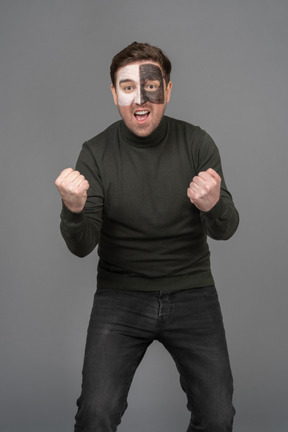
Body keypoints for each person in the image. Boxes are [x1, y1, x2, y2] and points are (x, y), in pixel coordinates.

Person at [55, 41, 239, 432]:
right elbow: (82, 245)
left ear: (168, 90)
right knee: (95, 415)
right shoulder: (96, 152)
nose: (140, 98)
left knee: (218, 417)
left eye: (151, 86)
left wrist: (212, 205)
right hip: (120, 297)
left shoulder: (197, 143)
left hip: (192, 293)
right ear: (114, 94)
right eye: (127, 87)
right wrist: (73, 210)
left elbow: (226, 228)